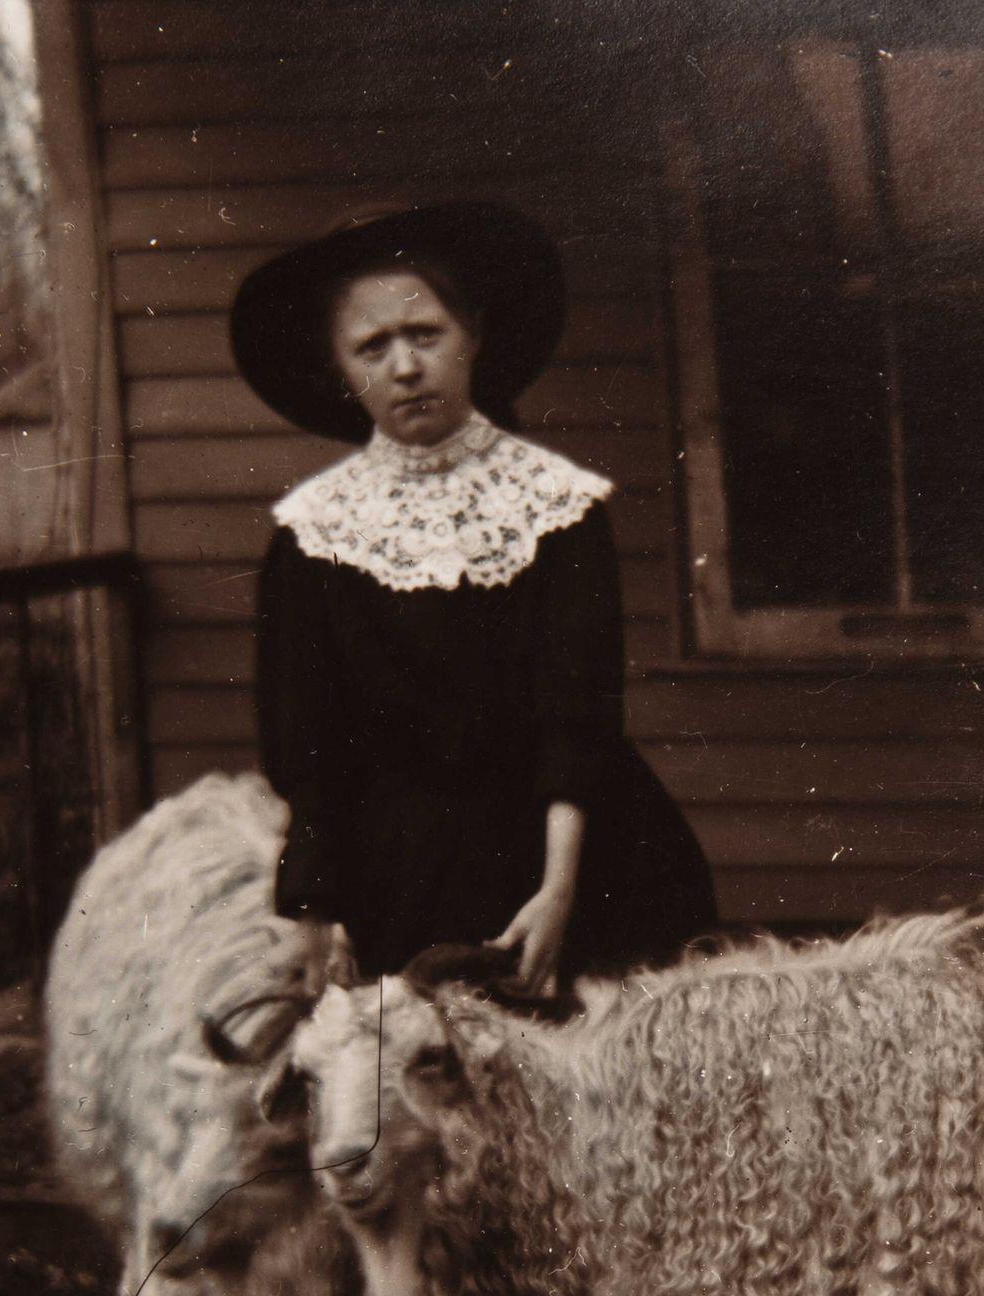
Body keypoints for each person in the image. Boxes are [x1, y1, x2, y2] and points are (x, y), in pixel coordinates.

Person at [229, 201, 716, 992]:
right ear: (340, 368)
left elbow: (577, 716)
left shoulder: (558, 507)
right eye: (372, 346)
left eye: (426, 334)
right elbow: (307, 743)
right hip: (395, 870)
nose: (405, 367)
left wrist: (559, 892)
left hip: (570, 853)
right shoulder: (312, 534)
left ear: (474, 336)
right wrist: (317, 908)